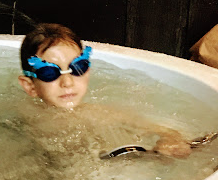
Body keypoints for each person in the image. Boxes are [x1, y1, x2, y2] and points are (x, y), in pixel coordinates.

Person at [17, 23, 192, 158]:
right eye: (49, 72)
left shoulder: (99, 114)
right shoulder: (24, 117)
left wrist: (171, 141)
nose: (67, 82)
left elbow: (165, 131)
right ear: (30, 86)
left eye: (78, 67)